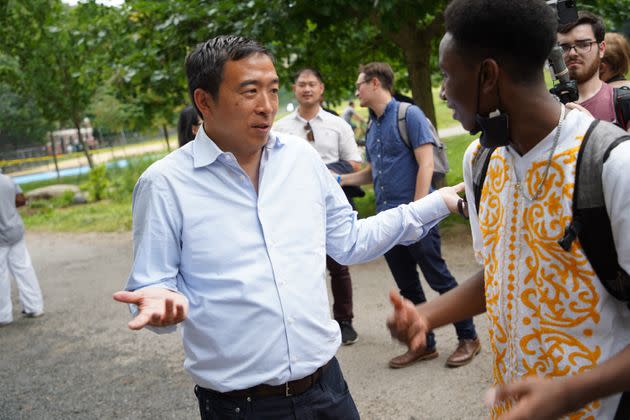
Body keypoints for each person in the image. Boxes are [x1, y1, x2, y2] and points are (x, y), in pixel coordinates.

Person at [112, 35, 467, 419]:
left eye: (273, 90)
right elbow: (153, 287)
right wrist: (162, 303)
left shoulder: (300, 158)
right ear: (204, 101)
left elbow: (350, 240)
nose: (267, 106)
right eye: (249, 91)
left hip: (329, 391)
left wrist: (437, 202)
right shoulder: (164, 184)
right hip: (240, 407)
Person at [387, 0, 630, 418]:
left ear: (487, 75)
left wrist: (570, 393)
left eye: (447, 74)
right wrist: (427, 315)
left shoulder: (612, 164)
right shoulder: (481, 161)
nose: (443, 91)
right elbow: (504, 272)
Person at [340, 62, 479, 369]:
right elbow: (373, 173)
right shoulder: (373, 126)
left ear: (375, 83)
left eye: (359, 85)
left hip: (419, 219)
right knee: (408, 288)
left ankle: (468, 337)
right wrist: (340, 180)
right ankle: (424, 344)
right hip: (388, 223)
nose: (357, 91)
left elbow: (426, 164)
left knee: (439, 279)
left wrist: (418, 211)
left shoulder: (408, 114)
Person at [273, 68, 362, 345]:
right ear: (295, 89)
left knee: (338, 264)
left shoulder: (338, 125)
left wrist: (316, 172)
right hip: (294, 206)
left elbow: (354, 164)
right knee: (298, 266)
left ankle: (344, 320)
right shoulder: (281, 128)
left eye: (312, 84)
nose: (307, 89)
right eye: (302, 84)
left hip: (333, 201)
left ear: (321, 88)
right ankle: (307, 324)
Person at [0, 171, 44, 326]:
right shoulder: (7, 180)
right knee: (24, 269)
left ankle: (3, 315)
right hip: (15, 231)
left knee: (1, 276)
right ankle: (34, 307)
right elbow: (21, 200)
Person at [557, 12, 618, 122]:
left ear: (601, 49)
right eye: (564, 47)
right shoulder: (545, 107)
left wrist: (590, 126)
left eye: (584, 44)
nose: (572, 53)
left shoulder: (624, 104)